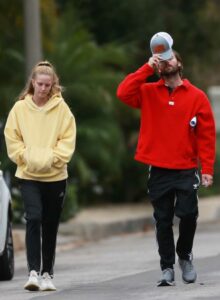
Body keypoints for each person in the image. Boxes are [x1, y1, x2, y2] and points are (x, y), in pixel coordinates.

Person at [116, 32, 216, 287]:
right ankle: (167, 268)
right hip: (159, 168)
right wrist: (146, 67)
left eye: (170, 59)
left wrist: (207, 169)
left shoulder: (197, 97)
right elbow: (123, 93)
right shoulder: (148, 92)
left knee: (189, 215)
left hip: (185, 168)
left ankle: (185, 256)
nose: (167, 63)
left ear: (179, 64)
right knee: (162, 220)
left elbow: (206, 136)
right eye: (162, 61)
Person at [4, 61, 76, 291]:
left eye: (48, 84)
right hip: (28, 175)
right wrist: (26, 158)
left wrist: (52, 160)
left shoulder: (62, 109)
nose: (44, 88)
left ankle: (48, 273)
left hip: (56, 177)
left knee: (50, 224)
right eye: (40, 84)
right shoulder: (19, 109)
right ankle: (33, 272)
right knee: (33, 218)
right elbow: (12, 139)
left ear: (53, 85)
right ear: (33, 83)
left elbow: (67, 140)